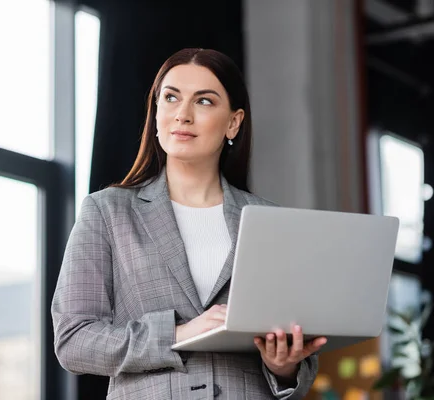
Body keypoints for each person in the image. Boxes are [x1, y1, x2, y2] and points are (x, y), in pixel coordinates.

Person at [51, 48, 327, 399]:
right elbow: (74, 340)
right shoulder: (106, 212)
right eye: (170, 98)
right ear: (155, 113)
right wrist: (179, 333)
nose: (182, 114)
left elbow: (295, 353)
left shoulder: (270, 221)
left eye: (204, 102)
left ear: (233, 122)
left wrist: (283, 365)